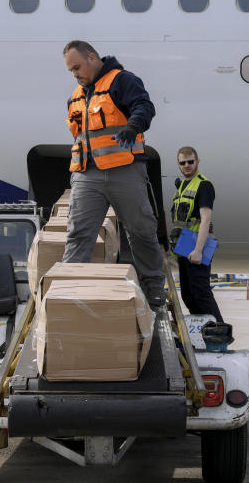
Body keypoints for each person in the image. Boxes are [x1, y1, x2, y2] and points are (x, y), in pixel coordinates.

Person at [61, 40, 166, 307]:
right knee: (79, 233)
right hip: (87, 175)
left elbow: (145, 106)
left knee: (141, 230)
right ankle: (69, 290)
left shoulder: (122, 81)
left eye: (77, 67)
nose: (75, 74)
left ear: (92, 58)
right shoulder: (76, 96)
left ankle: (153, 287)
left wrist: (133, 125)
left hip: (124, 171)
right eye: (70, 70)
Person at [170, 146, 223, 323]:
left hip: (197, 245)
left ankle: (219, 331)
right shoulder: (183, 185)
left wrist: (199, 250)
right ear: (178, 164)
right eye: (182, 163)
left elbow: (206, 219)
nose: (187, 165)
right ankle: (203, 330)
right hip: (184, 246)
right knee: (188, 294)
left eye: (190, 162)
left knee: (201, 293)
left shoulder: (203, 185)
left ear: (197, 161)